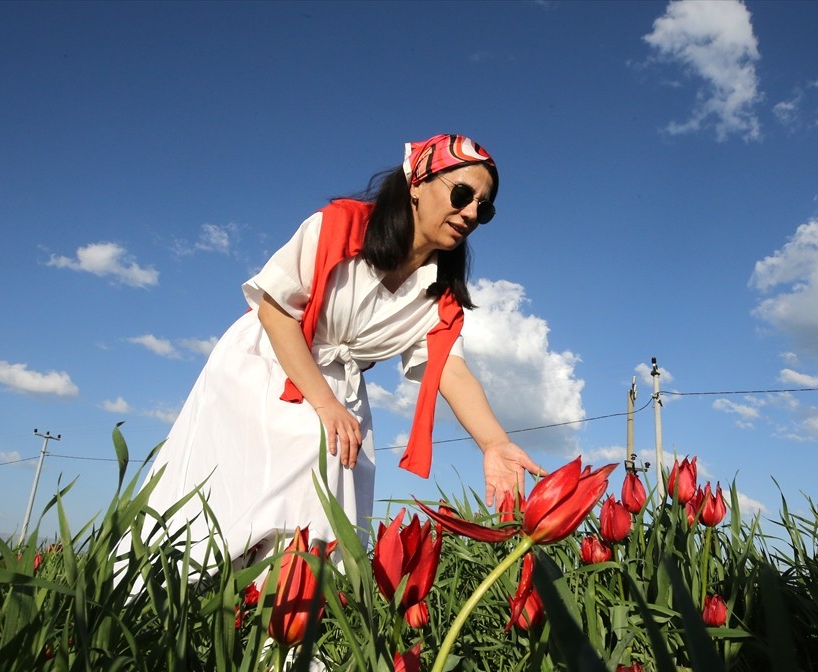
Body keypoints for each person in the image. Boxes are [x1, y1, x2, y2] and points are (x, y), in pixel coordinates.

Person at [126, 133, 544, 573]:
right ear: (417, 183)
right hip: (268, 363)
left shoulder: (439, 297)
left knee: (324, 504)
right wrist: (324, 403)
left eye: (485, 207)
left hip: (339, 394)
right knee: (254, 488)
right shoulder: (341, 226)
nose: (472, 212)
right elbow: (274, 309)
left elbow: (451, 373)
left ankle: (277, 623)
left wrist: (494, 444)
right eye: (462, 194)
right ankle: (178, 598)